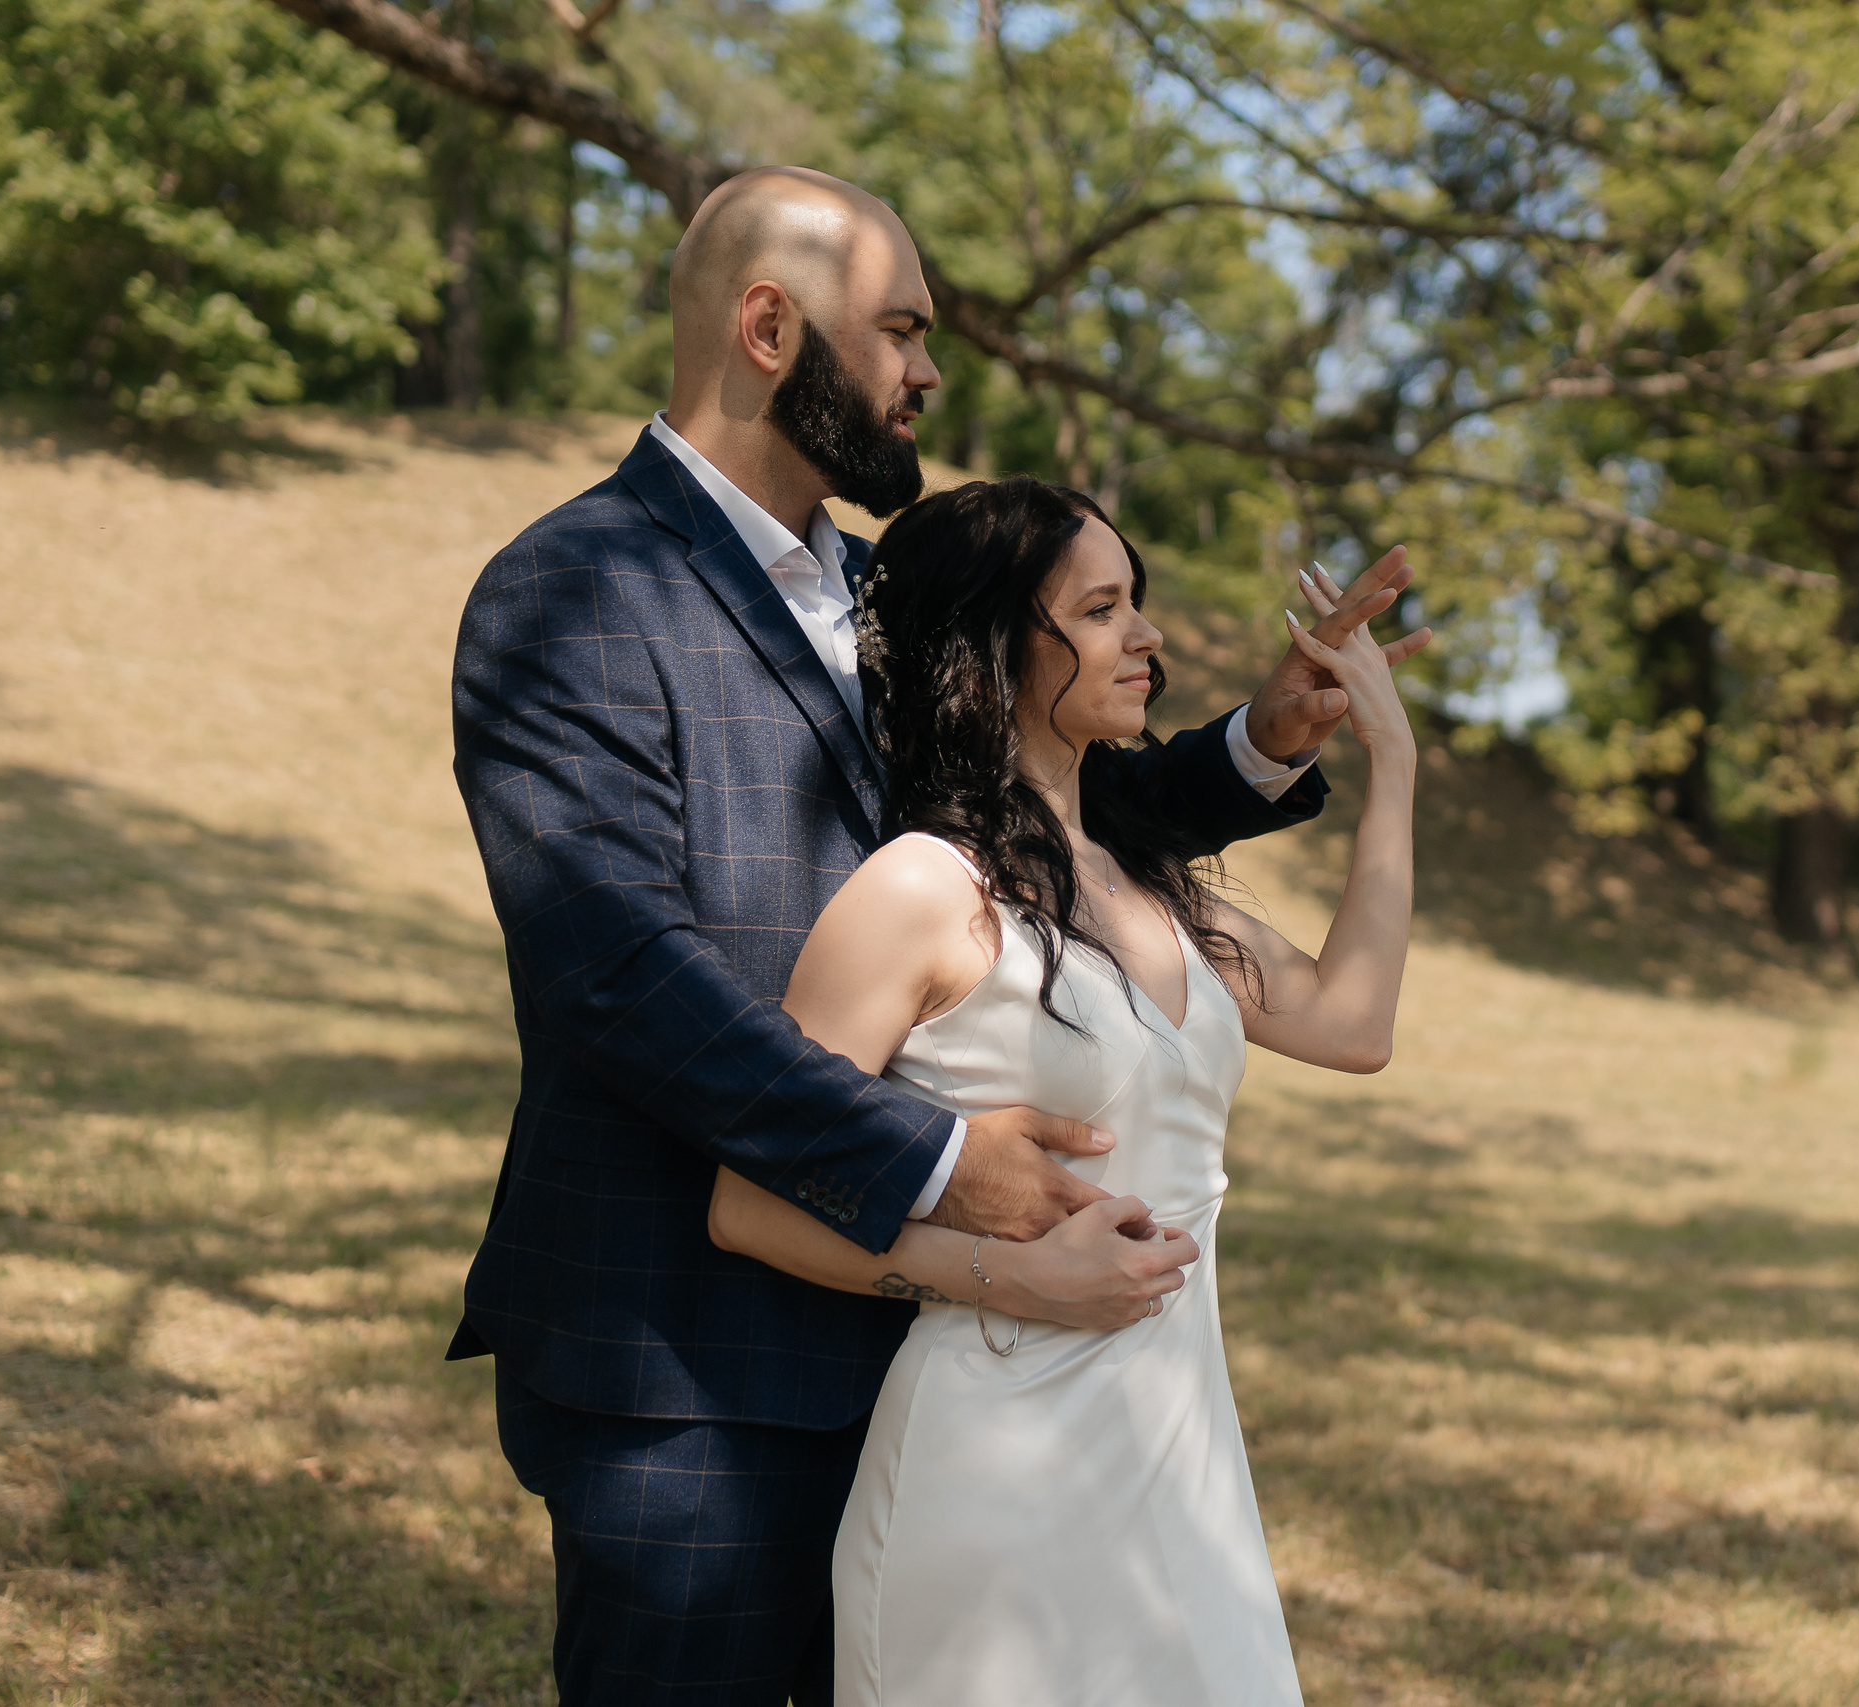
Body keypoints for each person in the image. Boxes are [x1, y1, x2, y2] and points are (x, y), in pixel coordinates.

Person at [445, 164, 1425, 1705]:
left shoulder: (874, 599)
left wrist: (1254, 743)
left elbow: (1017, 812)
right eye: (899, 330)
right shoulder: (570, 591)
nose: (927, 372)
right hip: (682, 1361)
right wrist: (931, 1160)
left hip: (923, 1360)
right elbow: (615, 973)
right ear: (770, 328)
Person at [703, 476, 1424, 1704]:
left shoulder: (1149, 884)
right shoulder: (920, 891)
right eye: (1099, 610)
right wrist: (1003, 1272)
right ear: (991, 655)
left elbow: (1354, 1026)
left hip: (1183, 1459)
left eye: (1134, 603)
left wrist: (1391, 759)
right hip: (996, 1465)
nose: (1147, 636)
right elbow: (751, 1204)